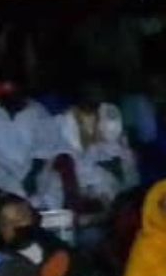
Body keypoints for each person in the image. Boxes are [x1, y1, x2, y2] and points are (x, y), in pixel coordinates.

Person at [0, 194, 103, 276]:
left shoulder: (58, 248)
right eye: (6, 223)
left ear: (33, 218)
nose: (14, 226)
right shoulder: (0, 264)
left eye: (20, 218)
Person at [0, 80, 71, 209]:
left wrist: (33, 172)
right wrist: (22, 174)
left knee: (51, 199)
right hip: (3, 176)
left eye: (17, 93)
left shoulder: (37, 110)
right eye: (9, 95)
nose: (14, 98)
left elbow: (48, 142)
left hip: (39, 171)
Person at [56, 80, 139, 208]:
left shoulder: (110, 110)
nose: (99, 94)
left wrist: (113, 160)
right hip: (85, 167)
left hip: (113, 161)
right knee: (98, 180)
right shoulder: (65, 119)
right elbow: (74, 153)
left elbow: (115, 141)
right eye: (93, 91)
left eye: (100, 90)